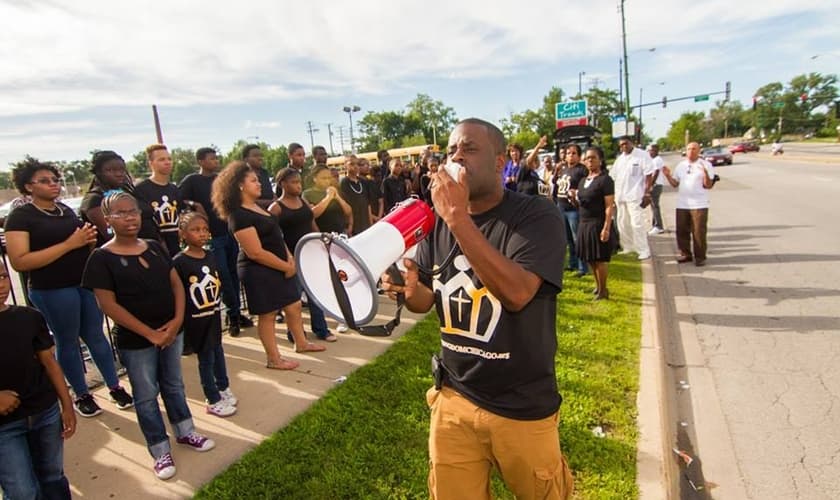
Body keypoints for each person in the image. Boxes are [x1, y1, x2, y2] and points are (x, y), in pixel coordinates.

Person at [381, 118, 573, 499]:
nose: (456, 157)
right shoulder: (439, 223)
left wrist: (457, 218)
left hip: (521, 405)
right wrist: (407, 290)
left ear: (500, 161)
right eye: (452, 150)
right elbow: (426, 300)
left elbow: (517, 293)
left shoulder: (535, 216)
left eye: (469, 149)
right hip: (455, 397)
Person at [82, 192, 215, 480]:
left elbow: (176, 284)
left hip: (171, 331)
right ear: (107, 219)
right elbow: (108, 305)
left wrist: (177, 321)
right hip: (137, 340)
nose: (130, 217)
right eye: (120, 213)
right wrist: (150, 334)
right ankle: (159, 448)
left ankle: (185, 431)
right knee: (145, 395)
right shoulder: (101, 258)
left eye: (133, 211)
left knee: (174, 385)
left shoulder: (154, 247)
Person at [4, 158, 133, 418]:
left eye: (55, 180)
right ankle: (82, 394)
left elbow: (79, 242)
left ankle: (114, 386)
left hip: (83, 282)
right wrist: (70, 244)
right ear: (28, 186)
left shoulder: (64, 210)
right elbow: (19, 261)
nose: (53, 184)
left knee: (96, 336)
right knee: (68, 340)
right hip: (52, 288)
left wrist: (87, 241)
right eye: (44, 181)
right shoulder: (21, 216)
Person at [212, 162, 325, 368]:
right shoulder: (239, 215)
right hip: (259, 270)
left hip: (280, 264)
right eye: (253, 181)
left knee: (294, 305)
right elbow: (255, 252)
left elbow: (277, 236)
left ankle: (301, 343)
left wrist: (289, 257)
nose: (259, 184)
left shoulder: (259, 207)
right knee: (268, 314)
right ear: (239, 186)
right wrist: (285, 266)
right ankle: (274, 359)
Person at [0, 261, 76, 500]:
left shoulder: (29, 317)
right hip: (5, 426)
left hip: (44, 412)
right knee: (22, 491)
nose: (1, 285)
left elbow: (50, 363)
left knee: (53, 476)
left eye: (3, 276)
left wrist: (67, 405)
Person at [179, 147, 254, 336]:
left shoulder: (220, 179)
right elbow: (179, 200)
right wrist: (194, 205)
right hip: (212, 237)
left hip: (229, 233)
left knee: (234, 274)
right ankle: (233, 315)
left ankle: (236, 313)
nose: (216, 161)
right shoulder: (192, 181)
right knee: (223, 277)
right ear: (201, 161)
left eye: (216, 158)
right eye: (211, 158)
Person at [172, 212, 237, 417]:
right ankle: (212, 398)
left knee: (218, 352)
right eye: (195, 230)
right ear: (182, 234)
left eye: (204, 229)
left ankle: (223, 387)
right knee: (206, 359)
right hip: (196, 320)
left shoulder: (210, 256)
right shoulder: (179, 262)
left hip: (213, 315)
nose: (201, 234)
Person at [270, 168, 336, 343]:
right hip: (291, 258)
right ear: (283, 184)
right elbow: (275, 237)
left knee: (315, 294)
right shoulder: (276, 208)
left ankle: (321, 329)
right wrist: (287, 257)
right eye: (294, 182)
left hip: (310, 255)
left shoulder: (302, 201)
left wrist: (321, 241)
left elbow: (311, 222)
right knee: (294, 299)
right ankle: (295, 333)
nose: (298, 186)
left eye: (299, 182)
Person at [303, 165, 352, 333]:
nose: (327, 181)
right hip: (322, 238)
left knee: (342, 275)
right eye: (323, 178)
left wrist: (336, 197)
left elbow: (348, 211)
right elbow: (313, 214)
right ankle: (337, 315)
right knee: (328, 279)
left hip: (340, 237)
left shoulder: (335, 191)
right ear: (315, 178)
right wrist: (327, 198)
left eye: (329, 177)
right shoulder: (308, 194)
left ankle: (345, 314)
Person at [80, 150, 157, 247]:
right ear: (98, 172)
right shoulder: (94, 199)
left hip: (151, 247)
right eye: (110, 170)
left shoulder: (129, 192)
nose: (119, 174)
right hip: (124, 251)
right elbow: (110, 233)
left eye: (122, 169)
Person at [660, 142, 716, 267]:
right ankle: (685, 254)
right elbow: (675, 184)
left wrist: (705, 173)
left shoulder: (705, 164)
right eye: (689, 149)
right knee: (681, 231)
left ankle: (700, 257)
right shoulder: (681, 165)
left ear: (699, 151)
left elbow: (708, 185)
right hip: (682, 204)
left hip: (699, 204)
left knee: (698, 232)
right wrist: (668, 175)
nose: (691, 151)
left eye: (694, 149)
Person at [576, 147, 616, 300]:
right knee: (590, 258)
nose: (590, 160)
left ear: (600, 160)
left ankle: (603, 291)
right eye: (587, 158)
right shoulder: (582, 181)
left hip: (598, 223)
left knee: (599, 259)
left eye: (593, 157)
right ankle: (598, 286)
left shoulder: (605, 180)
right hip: (584, 223)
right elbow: (583, 202)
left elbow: (609, 206)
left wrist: (606, 227)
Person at [133, 144, 184, 257]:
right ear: (151, 163)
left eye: (169, 159)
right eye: (161, 159)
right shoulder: (141, 190)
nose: (167, 162)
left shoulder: (174, 189)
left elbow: (180, 214)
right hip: (153, 249)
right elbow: (144, 222)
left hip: (175, 247)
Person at [611, 135, 654, 260]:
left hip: (635, 195)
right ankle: (628, 247)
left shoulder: (642, 155)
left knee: (637, 223)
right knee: (622, 223)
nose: (624, 146)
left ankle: (643, 250)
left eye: (626, 143)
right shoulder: (620, 159)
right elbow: (613, 176)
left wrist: (647, 193)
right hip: (620, 196)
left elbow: (649, 175)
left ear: (632, 143)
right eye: (621, 145)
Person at [552, 144, 589, 277]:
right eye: (568, 153)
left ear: (579, 156)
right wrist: (556, 171)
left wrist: (576, 193)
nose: (570, 156)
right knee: (568, 239)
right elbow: (555, 183)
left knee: (577, 238)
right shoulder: (563, 169)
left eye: (574, 153)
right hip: (561, 207)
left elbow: (586, 187)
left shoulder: (582, 170)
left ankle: (582, 267)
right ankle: (572, 263)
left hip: (573, 209)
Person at [339, 156, 374, 235]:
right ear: (345, 166)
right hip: (353, 226)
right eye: (352, 164)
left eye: (357, 164)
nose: (355, 166)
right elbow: (344, 207)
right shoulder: (343, 183)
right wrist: (349, 226)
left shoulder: (363, 182)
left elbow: (368, 204)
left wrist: (371, 223)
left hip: (365, 223)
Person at [242, 144, 275, 208]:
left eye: (261, 155)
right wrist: (271, 202)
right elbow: (246, 201)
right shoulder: (242, 175)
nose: (260, 158)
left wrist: (277, 200)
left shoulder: (264, 172)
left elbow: (269, 191)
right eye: (255, 156)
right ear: (245, 159)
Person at [647, 144, 666, 235]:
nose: (649, 152)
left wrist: (650, 185)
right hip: (656, 185)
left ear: (655, 151)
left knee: (655, 206)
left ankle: (658, 226)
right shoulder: (654, 160)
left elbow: (656, 173)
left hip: (656, 185)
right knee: (653, 206)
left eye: (651, 150)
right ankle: (655, 225)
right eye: (649, 150)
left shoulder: (657, 160)